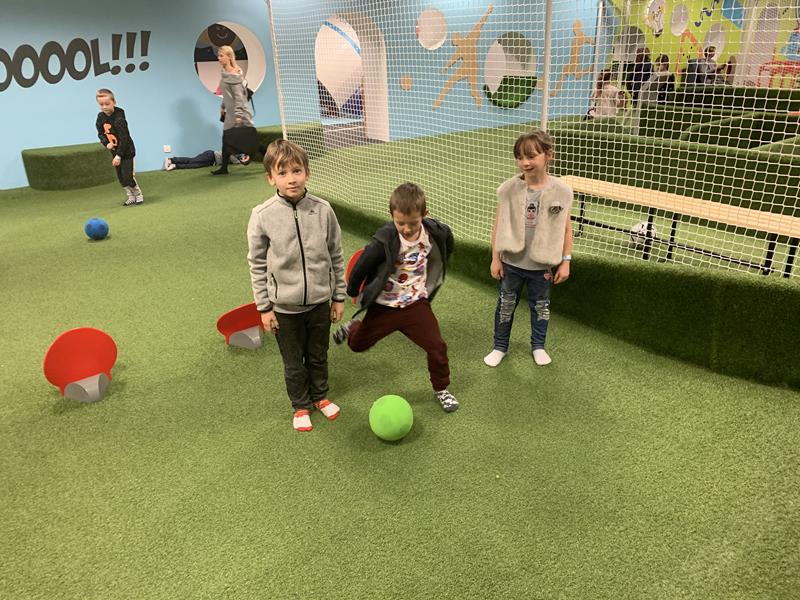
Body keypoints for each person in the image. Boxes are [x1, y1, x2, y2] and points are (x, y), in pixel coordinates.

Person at [332, 183, 459, 413]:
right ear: (391, 215)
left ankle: (442, 389)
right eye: (400, 223)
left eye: (413, 223)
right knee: (357, 346)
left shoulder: (435, 233)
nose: (407, 229)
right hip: (385, 306)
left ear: (424, 214)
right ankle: (354, 328)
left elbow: (447, 241)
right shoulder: (385, 239)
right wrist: (352, 290)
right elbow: (363, 264)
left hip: (415, 304)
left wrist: (442, 259)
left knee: (437, 346)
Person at [246, 140, 346, 432]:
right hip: (284, 308)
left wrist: (338, 297)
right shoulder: (262, 215)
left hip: (319, 304)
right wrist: (264, 308)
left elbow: (336, 255)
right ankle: (300, 405)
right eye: (283, 173)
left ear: (307, 173)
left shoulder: (323, 210)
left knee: (318, 355)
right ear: (270, 178)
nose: (291, 179)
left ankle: (320, 396)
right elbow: (257, 264)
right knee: (293, 362)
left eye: (297, 170)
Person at [484, 129, 573, 368]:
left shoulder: (561, 191)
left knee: (541, 308)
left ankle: (538, 346)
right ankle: (500, 347)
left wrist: (566, 261)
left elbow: (566, 229)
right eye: (520, 157)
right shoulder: (508, 189)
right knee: (505, 306)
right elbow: (498, 225)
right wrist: (495, 258)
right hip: (511, 264)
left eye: (531, 156)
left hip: (541, 267)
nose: (525, 162)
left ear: (548, 155)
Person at [95, 89, 143, 206]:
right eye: (101, 104)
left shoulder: (119, 118)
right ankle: (130, 196)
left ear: (114, 102)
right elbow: (100, 133)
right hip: (114, 151)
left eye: (107, 104)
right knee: (121, 177)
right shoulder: (100, 117)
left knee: (128, 176)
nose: (104, 107)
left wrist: (118, 155)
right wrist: (106, 143)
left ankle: (138, 194)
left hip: (126, 151)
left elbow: (124, 138)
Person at [212, 45, 255, 175]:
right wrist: (223, 106)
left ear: (229, 57)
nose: (218, 58)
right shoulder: (224, 73)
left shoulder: (234, 75)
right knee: (226, 141)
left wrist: (238, 115)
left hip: (239, 114)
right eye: (218, 55)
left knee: (253, 143)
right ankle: (224, 168)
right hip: (230, 113)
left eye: (221, 56)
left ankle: (270, 160)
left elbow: (239, 98)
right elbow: (227, 94)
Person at [164, 151, 249, 170]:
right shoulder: (234, 152)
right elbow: (231, 157)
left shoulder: (238, 157)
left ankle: (175, 166)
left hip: (212, 162)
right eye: (244, 157)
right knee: (193, 161)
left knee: (194, 166)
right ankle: (171, 160)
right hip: (211, 155)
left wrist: (242, 162)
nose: (243, 158)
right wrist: (241, 162)